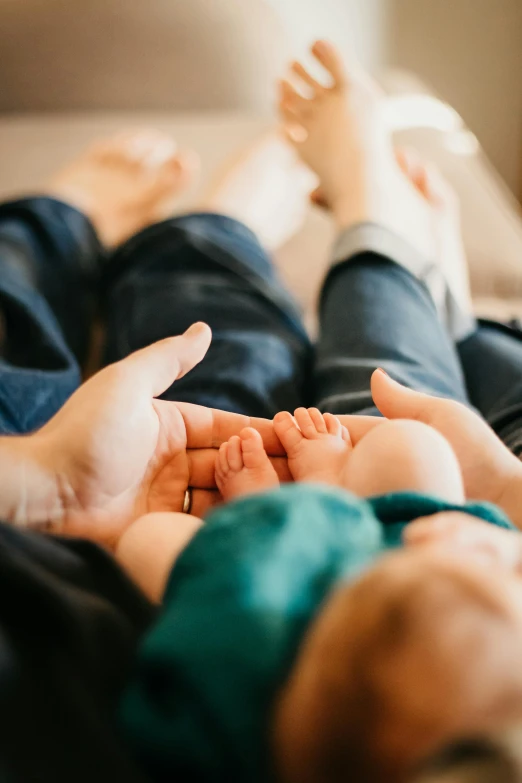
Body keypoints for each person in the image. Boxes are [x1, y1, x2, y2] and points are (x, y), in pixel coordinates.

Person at [0, 35, 522, 783]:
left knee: (214, 379)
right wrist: (493, 491)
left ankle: (166, 230)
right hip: (338, 519)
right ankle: (401, 255)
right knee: (403, 414)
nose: (504, 548)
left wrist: (268, 513)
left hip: (202, 544)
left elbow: (167, 549)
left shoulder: (236, 673)